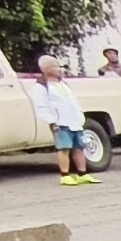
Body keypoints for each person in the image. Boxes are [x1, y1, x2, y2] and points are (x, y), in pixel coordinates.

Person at [31, 56, 91, 187]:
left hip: (74, 121)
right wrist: (51, 121)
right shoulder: (41, 86)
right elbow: (41, 105)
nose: (59, 69)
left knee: (79, 147)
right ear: (46, 69)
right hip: (61, 122)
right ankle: (65, 175)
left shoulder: (63, 84)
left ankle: (82, 173)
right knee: (64, 148)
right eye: (55, 66)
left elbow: (73, 101)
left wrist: (80, 116)